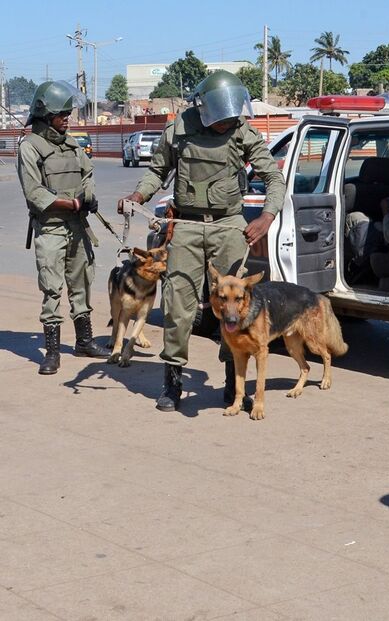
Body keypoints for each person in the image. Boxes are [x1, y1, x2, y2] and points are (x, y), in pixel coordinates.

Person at [120, 70, 285, 412]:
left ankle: (232, 384)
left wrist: (266, 217)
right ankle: (173, 383)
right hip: (188, 227)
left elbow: (273, 176)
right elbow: (157, 171)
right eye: (222, 117)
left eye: (232, 115)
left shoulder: (242, 130)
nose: (228, 122)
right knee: (179, 307)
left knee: (234, 309)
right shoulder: (179, 129)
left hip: (229, 227)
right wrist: (138, 194)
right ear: (206, 109)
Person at [17, 80, 110, 375]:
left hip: (78, 227)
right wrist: (70, 204)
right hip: (52, 228)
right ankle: (53, 352)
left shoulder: (71, 144)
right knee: (52, 288)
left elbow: (88, 173)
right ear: (46, 115)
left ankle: (84, 342)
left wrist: (88, 196)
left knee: (81, 282)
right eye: (62, 114)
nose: (68, 119)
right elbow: (34, 193)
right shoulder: (30, 148)